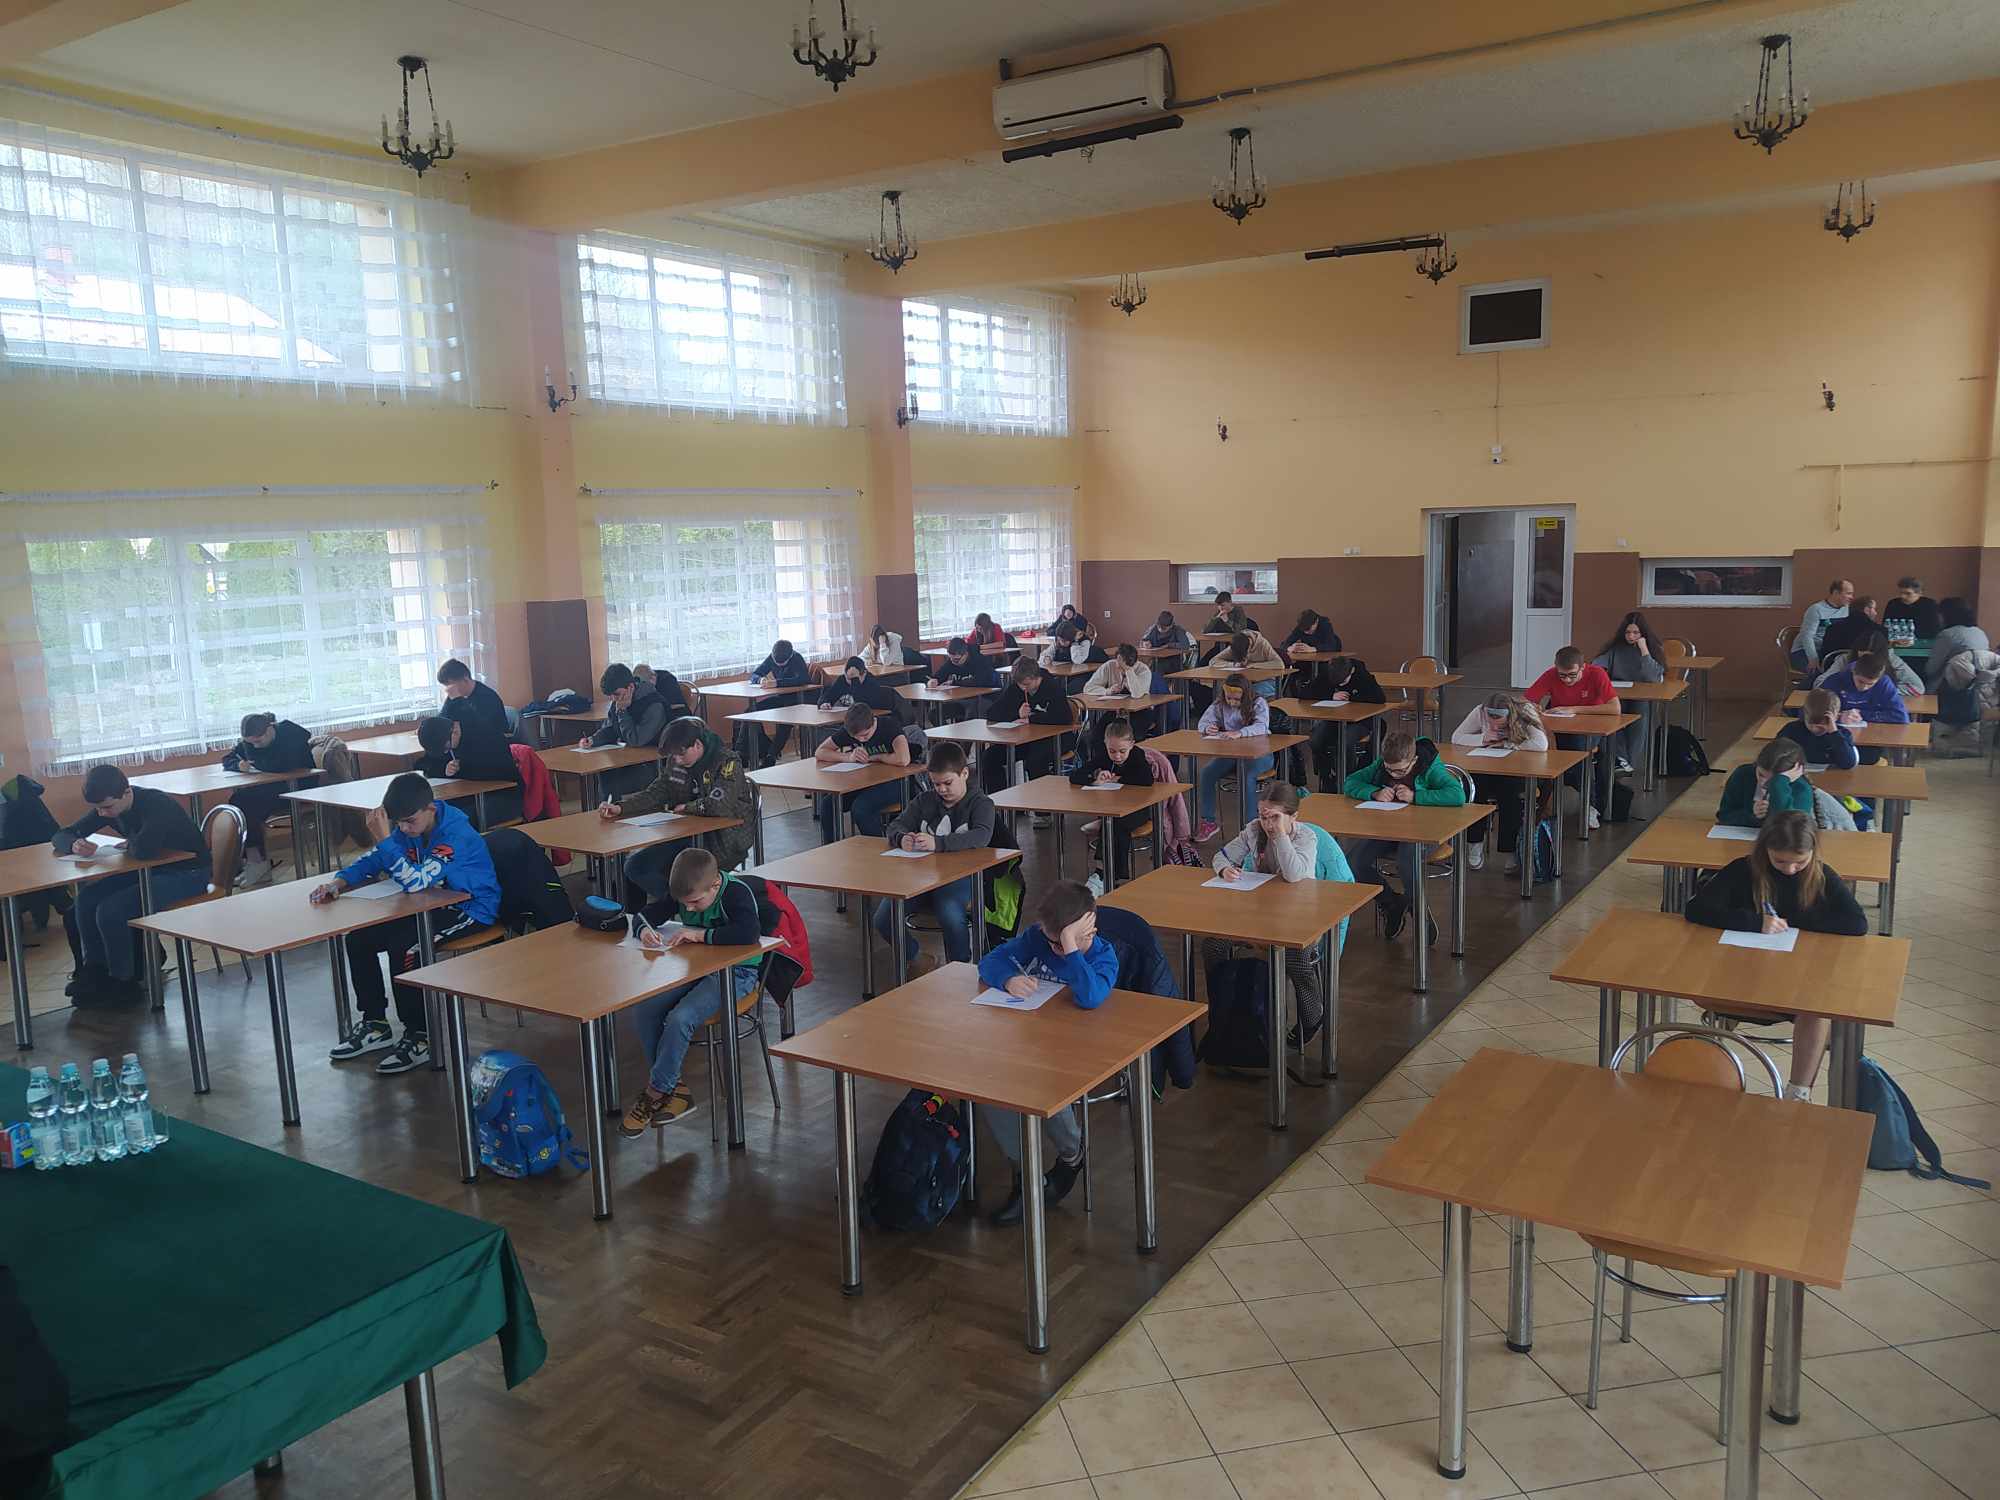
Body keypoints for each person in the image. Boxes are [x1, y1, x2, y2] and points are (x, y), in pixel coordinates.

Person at [315, 773, 498, 1075]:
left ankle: (420, 1035)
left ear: (431, 809)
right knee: (358, 939)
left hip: (469, 908)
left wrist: (385, 839)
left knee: (407, 949)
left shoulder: (456, 835)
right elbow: (376, 859)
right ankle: (375, 1023)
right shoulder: (411, 826)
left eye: (409, 821)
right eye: (398, 823)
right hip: (427, 905)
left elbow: (415, 882)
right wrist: (338, 882)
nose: (404, 829)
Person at [1685, 812, 1868, 1100]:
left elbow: (1857, 923)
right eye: (1780, 861)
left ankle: (1798, 1092)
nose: (1790, 870)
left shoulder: (1822, 876)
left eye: (1800, 862)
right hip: (1741, 973)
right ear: (1765, 850)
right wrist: (1754, 921)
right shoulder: (1742, 870)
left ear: (1812, 853)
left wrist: (1793, 920)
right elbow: (1696, 909)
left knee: (1816, 1007)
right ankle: (1714, 1067)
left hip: (1796, 977)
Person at [975, 880, 1118, 1225]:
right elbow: (989, 962)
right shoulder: (1039, 938)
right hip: (1033, 1044)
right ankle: (1027, 1174)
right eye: (1051, 939)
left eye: (1060, 940)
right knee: (990, 1086)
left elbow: (1091, 998)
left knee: (1046, 1083)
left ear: (1089, 929)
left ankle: (1072, 1153)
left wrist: (1070, 947)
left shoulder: (1103, 955)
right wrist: (1008, 979)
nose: (1052, 948)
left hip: (1079, 1054)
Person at [619, 848, 774, 1132]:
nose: (688, 909)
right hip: (696, 970)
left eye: (694, 902)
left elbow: (748, 933)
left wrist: (700, 934)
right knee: (644, 1010)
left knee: (680, 1018)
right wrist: (644, 930)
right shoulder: (686, 893)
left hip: (737, 974)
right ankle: (675, 1089)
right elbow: (644, 915)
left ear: (715, 884)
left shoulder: (735, 893)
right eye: (683, 904)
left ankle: (656, 1091)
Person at [54, 765, 210, 1005]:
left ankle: (123, 981)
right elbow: (62, 834)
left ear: (127, 792)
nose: (103, 814)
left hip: (190, 873)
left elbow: (145, 850)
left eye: (107, 807)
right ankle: (95, 970)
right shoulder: (110, 804)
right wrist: (73, 844)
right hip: (150, 870)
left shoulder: (157, 804)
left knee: (112, 909)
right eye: (97, 809)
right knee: (86, 898)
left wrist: (132, 842)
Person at [1203, 781, 1327, 1041]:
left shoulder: (1306, 837)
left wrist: (1281, 836)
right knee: (1213, 944)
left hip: (1299, 916)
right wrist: (1224, 870)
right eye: (1263, 816)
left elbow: (1294, 875)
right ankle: (1223, 1012)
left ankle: (1312, 1017)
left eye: (1275, 817)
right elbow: (1221, 856)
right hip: (1259, 913)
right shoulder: (1253, 830)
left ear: (1293, 816)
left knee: (1296, 957)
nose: (1268, 824)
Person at [603, 715, 755, 907]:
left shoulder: (727, 761)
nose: (677, 760)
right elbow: (658, 791)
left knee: (683, 876)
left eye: (681, 755)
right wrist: (621, 807)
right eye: (673, 756)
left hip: (724, 839)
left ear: (697, 745)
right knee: (635, 866)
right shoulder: (677, 760)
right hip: (685, 834)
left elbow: (719, 805)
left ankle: (683, 904)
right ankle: (671, 908)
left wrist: (687, 808)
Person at [876, 742, 997, 971]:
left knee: (949, 912)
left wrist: (938, 843)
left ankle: (960, 967)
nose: (941, 789)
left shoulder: (981, 804)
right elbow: (896, 825)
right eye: (936, 784)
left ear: (964, 774)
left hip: (961, 877)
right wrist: (902, 838)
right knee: (884, 916)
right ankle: (915, 957)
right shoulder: (924, 801)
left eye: (947, 783)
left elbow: (982, 836)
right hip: (921, 877)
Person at [1342, 730, 1466, 943]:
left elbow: (1457, 795)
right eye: (1389, 770)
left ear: (1413, 760)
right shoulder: (1383, 765)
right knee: (1354, 862)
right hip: (1388, 828)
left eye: (1400, 771)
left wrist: (1416, 796)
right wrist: (1373, 793)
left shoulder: (1430, 767)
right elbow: (1350, 782)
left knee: (1407, 861)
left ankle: (1419, 910)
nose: (1394, 775)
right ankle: (1391, 904)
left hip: (1425, 831)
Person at [1526, 646, 1623, 829]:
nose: (1567, 680)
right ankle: (1542, 801)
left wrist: (1573, 709)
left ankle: (1590, 805)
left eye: (1572, 675)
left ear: (1582, 668)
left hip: (1592, 726)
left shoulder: (1597, 674)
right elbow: (1527, 701)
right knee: (1541, 748)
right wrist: (1534, 708)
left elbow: (1615, 708)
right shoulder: (1551, 675)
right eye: (1562, 675)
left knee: (1579, 750)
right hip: (1561, 726)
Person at [1450, 692, 1547, 873]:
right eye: (1491, 722)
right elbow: (1456, 737)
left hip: (1515, 768)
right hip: (1486, 766)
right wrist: (1483, 738)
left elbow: (1541, 744)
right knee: (1473, 789)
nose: (1495, 726)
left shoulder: (1524, 710)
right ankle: (1475, 844)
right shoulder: (1479, 711)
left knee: (1510, 796)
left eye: (1500, 724)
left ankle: (1510, 850)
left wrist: (1508, 744)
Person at [220, 711, 314, 887]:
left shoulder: (291, 735)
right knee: (238, 802)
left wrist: (253, 762)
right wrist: (239, 765)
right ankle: (254, 861)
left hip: (298, 788)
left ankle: (258, 864)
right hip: (271, 787)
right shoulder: (252, 741)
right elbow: (227, 759)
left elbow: (282, 765)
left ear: (269, 729)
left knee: (246, 805)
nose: (254, 746)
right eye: (250, 743)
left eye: (258, 741)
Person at [1067, 716, 1155, 882]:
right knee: (1112, 821)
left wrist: (1119, 779)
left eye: (1122, 751)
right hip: (1112, 808)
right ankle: (1111, 875)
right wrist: (1095, 779)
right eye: (1112, 751)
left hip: (1138, 809)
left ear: (1132, 744)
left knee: (1114, 823)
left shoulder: (1137, 755)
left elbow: (1146, 780)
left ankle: (1104, 872)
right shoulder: (1104, 756)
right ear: (1105, 745)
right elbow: (1075, 776)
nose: (1117, 756)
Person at [814, 703, 910, 844]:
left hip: (897, 782)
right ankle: (832, 847)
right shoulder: (852, 729)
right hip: (866, 781)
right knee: (828, 804)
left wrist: (876, 757)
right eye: (856, 737)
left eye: (865, 735)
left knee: (861, 808)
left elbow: (903, 759)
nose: (861, 740)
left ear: (873, 723)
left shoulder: (889, 726)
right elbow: (820, 752)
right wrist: (848, 757)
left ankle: (876, 849)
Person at [1193, 673, 1270, 842]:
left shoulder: (1259, 703)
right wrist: (1207, 728)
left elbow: (1262, 726)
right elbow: (1203, 722)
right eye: (1229, 698)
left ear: (1246, 695)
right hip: (1232, 754)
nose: (1232, 702)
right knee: (1207, 773)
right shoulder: (1220, 704)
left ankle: (1251, 826)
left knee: (1247, 776)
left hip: (1259, 754)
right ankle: (1208, 821)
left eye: (1236, 699)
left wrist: (1240, 733)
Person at [414, 713, 523, 827]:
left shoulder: (487, 735)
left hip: (505, 796)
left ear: (454, 731)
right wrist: (445, 770)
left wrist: (461, 770)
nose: (446, 752)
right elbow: (424, 765)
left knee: (455, 821)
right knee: (434, 814)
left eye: (447, 748)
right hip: (471, 796)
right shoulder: (442, 735)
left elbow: (500, 771)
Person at [980, 658, 1073, 792]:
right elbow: (992, 713)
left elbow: (1064, 717)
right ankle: (999, 800)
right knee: (990, 757)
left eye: (1026, 684)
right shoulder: (1017, 687)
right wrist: (1017, 714)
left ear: (1036, 678)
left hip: (1055, 738)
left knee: (1035, 760)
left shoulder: (1053, 687)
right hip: (1026, 739)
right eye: (1020, 684)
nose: (1023, 688)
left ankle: (1043, 802)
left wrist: (1032, 719)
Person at [1591, 612, 1665, 774]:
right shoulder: (1615, 649)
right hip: (1620, 694)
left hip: (1642, 696)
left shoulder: (1652, 649)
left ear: (1643, 634)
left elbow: (1652, 677)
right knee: (1612, 714)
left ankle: (1628, 761)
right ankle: (1621, 758)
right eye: (1628, 632)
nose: (1631, 636)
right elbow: (1596, 666)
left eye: (1636, 633)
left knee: (1639, 714)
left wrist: (1644, 649)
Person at [587, 663, 672, 798]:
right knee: (605, 772)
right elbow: (612, 728)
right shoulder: (620, 700)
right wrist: (593, 740)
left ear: (631, 687)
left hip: (652, 765)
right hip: (629, 760)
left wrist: (622, 712)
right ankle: (608, 808)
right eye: (610, 696)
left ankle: (615, 807)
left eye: (616, 694)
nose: (613, 699)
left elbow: (635, 740)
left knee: (612, 782)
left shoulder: (654, 705)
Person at [1309, 655, 1388, 790]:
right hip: (1333, 719)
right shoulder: (1329, 671)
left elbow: (1379, 698)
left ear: (1352, 671)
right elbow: (1306, 692)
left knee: (1345, 742)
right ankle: (1326, 776)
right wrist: (1330, 695)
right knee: (1315, 740)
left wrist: (1353, 698)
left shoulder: (1362, 676)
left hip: (1360, 721)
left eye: (1344, 681)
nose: (1341, 685)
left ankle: (1349, 778)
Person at [1821, 651, 1911, 763]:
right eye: (1860, 681)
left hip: (1870, 737)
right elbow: (1815, 710)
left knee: (1870, 757)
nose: (1864, 687)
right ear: (1853, 671)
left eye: (1870, 684)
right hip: (1837, 734)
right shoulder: (1835, 680)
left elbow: (1901, 717)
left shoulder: (1884, 683)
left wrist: (1861, 714)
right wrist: (1838, 716)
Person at [739, 639, 813, 761]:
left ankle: (771, 755)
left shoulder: (796, 658)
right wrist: (760, 680)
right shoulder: (772, 657)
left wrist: (777, 683)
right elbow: (755, 674)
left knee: (785, 721)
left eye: (782, 663)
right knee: (750, 712)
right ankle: (743, 752)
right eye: (776, 663)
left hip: (798, 699)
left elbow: (803, 679)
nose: (779, 665)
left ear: (790, 656)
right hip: (781, 698)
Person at [1715, 739, 1814, 828]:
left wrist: (1779, 784)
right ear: (1756, 764)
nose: (1764, 782)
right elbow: (1724, 816)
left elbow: (1791, 828)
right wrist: (1751, 815)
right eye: (1761, 774)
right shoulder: (1743, 774)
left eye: (1774, 780)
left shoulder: (1801, 789)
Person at [1777, 688, 1860, 772]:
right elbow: (1776, 755)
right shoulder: (1791, 730)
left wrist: (1834, 733)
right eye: (1810, 724)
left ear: (1836, 718)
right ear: (1804, 715)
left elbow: (1848, 764)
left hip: (1829, 775)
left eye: (1821, 727)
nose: (1814, 729)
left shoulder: (1842, 735)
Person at [1924, 597, 1989, 694]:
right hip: (1976, 688)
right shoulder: (1980, 633)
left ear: (1946, 615)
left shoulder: (1948, 635)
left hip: (1947, 687)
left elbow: (1931, 669)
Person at [818, 655, 907, 723]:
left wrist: (855, 681)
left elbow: (861, 704)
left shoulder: (871, 682)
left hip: (870, 721)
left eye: (855, 678)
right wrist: (824, 703)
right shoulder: (842, 680)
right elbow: (828, 695)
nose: (851, 682)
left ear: (864, 673)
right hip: (850, 721)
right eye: (848, 678)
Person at [436, 658, 509, 738]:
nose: (448, 689)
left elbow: (478, 727)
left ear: (465, 679)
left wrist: (457, 700)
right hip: (469, 740)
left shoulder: (487, 697)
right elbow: (442, 719)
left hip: (490, 742)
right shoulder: (457, 696)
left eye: (450, 684)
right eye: (446, 686)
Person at [1795, 578, 1854, 672]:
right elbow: (1807, 637)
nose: (1851, 597)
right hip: (1805, 651)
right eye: (1848, 593)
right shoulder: (1816, 609)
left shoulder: (1848, 609)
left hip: (1829, 650)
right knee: (1817, 671)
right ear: (1836, 593)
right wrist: (1813, 658)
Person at [1211, 628, 1284, 699]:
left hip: (1267, 681)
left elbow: (1280, 664)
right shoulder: (1236, 645)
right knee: (1226, 691)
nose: (1244, 662)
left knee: (1247, 693)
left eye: (1244, 658)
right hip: (1246, 681)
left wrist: (1253, 665)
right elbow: (1213, 661)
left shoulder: (1262, 644)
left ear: (1249, 647)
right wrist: (1234, 664)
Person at [1883, 578, 1942, 642]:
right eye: (1901, 593)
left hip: (1923, 641)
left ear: (1919, 593)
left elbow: (1935, 630)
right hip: (1897, 641)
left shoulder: (1930, 604)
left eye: (1908, 593)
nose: (1902, 596)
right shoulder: (1893, 604)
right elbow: (1886, 626)